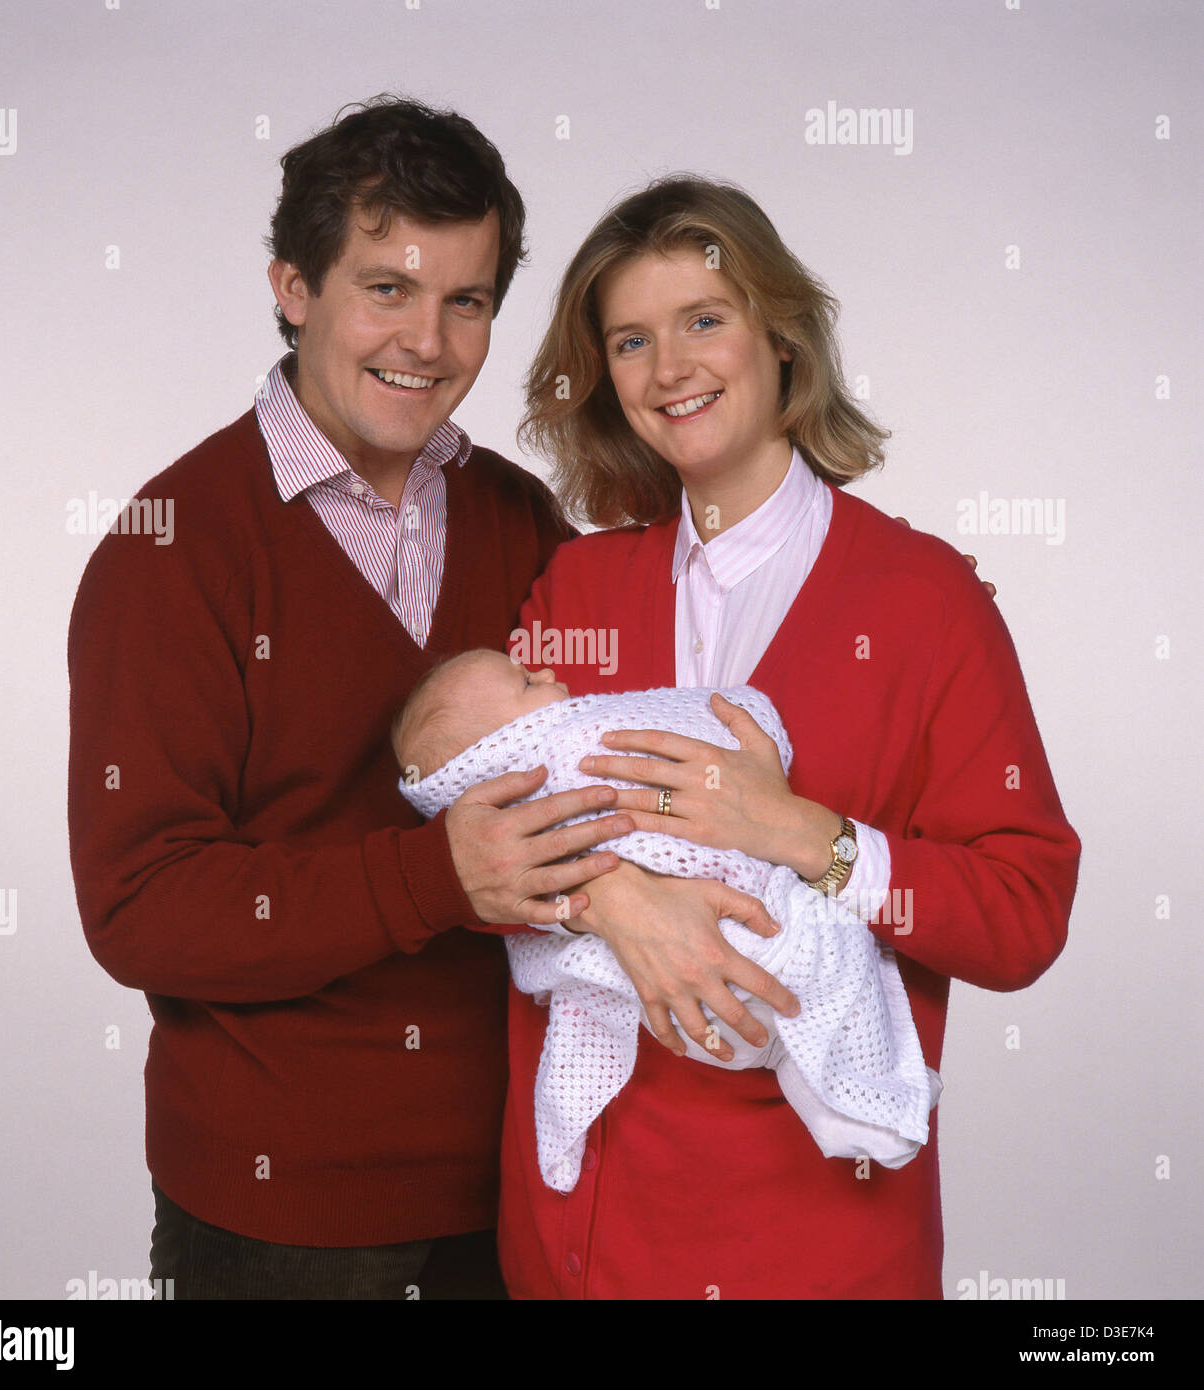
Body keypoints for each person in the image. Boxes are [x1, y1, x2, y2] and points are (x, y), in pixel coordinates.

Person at [65, 96, 638, 1300]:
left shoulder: (516, 519)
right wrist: (438, 877)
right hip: (283, 1221)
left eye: (467, 300)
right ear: (293, 286)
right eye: (387, 288)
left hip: (521, 1185)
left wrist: (885, 598)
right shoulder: (172, 548)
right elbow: (139, 905)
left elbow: (646, 705)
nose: (426, 340)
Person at [490, 175, 1082, 1299]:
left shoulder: (925, 603)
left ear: (783, 339)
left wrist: (810, 835)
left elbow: (1022, 915)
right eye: (630, 340)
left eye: (704, 320)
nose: (670, 369)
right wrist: (614, 899)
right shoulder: (576, 585)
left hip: (818, 1246)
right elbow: (481, 830)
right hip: (586, 1237)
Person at [390, 648, 942, 1194]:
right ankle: (863, 1095)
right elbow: (728, 726)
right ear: (499, 748)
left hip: (669, 1006)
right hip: (704, 966)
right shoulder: (574, 738)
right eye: (527, 685)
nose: (546, 670)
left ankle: (839, 1092)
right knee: (820, 937)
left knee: (782, 999)